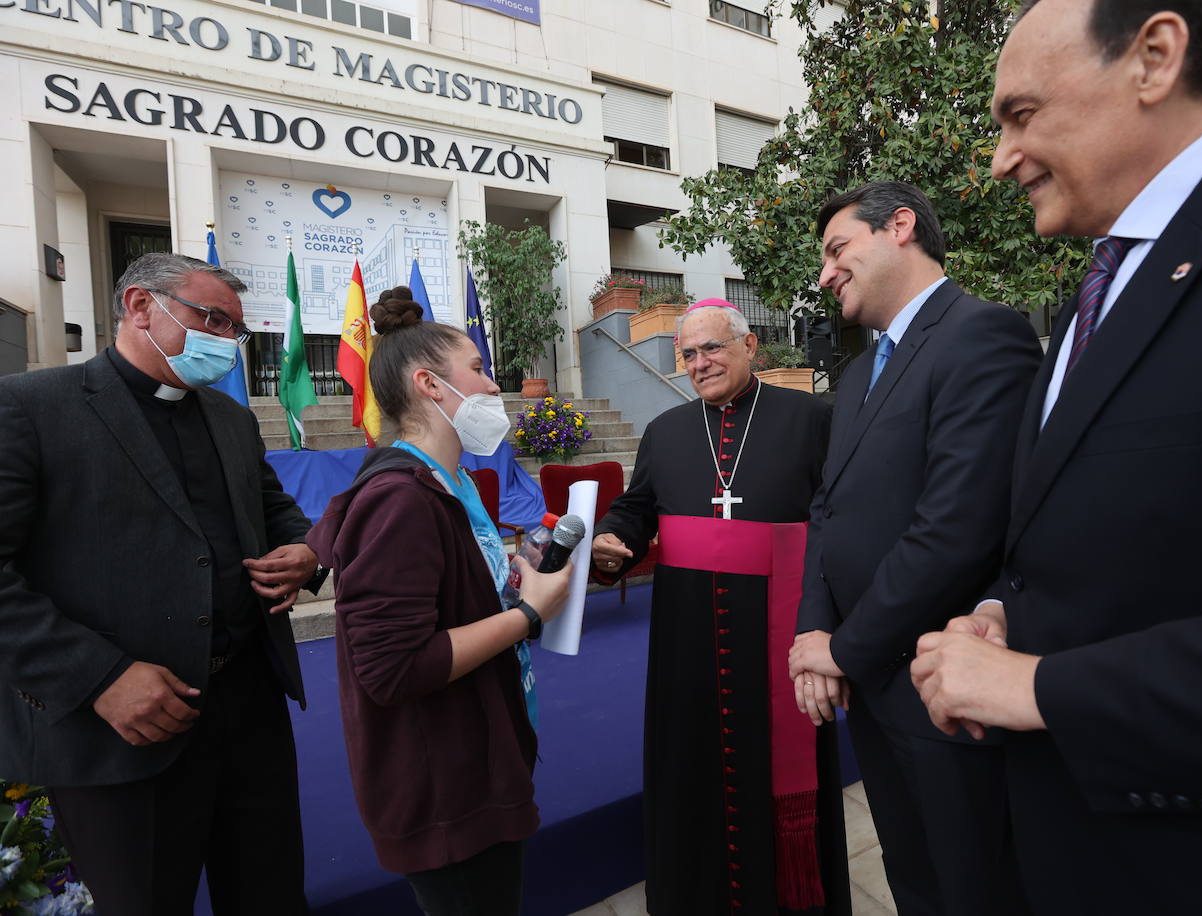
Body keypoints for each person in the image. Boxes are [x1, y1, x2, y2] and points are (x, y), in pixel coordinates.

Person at [909, 1, 1202, 913]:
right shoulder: (1093, 295)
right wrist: (1006, 611)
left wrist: (1045, 688)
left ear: (1154, 57)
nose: (1001, 157)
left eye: (1020, 114)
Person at [0, 252, 325, 915]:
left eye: (236, 329)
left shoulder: (231, 419)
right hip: (119, 727)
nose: (227, 342)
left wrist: (304, 550)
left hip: (248, 706)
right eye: (212, 319)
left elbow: (276, 510)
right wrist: (98, 678)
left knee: (270, 895)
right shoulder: (31, 406)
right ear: (140, 306)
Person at [790, 181, 1041, 916]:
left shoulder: (982, 333)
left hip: (945, 692)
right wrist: (815, 628)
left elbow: (957, 529)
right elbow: (826, 509)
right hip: (872, 688)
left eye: (838, 249)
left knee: (975, 889)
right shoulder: (860, 371)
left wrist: (843, 650)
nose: (825, 272)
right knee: (913, 880)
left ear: (899, 226)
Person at [307, 287, 572, 916]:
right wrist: (527, 614)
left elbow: (451, 595)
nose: (492, 386)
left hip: (478, 754)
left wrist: (510, 580)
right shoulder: (400, 499)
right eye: (478, 369)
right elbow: (393, 668)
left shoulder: (451, 482)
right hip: (442, 787)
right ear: (429, 384)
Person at [591, 300, 847, 915]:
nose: (700, 364)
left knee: (778, 771)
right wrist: (613, 540)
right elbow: (637, 507)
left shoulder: (811, 419)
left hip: (780, 633)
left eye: (712, 348)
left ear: (750, 346)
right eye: (689, 355)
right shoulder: (666, 431)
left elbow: (838, 519)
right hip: (688, 640)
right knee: (692, 768)